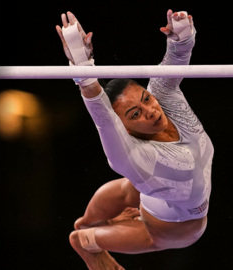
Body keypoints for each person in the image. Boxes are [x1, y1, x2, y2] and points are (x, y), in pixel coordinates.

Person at [55, 9, 212, 270]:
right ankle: (83, 235)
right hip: (174, 229)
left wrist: (182, 35)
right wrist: (82, 69)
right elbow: (103, 118)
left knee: (131, 188)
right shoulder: (132, 155)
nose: (151, 111)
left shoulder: (163, 97)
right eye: (135, 114)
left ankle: (94, 221)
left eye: (146, 99)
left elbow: (177, 57)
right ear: (124, 128)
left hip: (158, 190)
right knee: (129, 191)